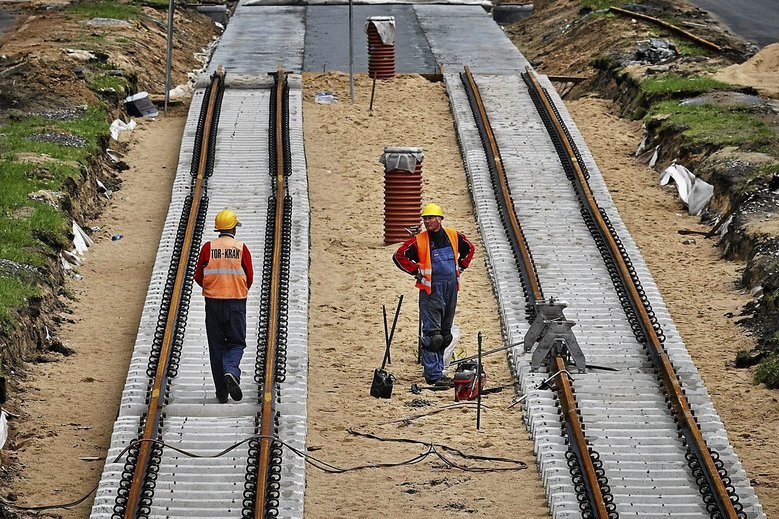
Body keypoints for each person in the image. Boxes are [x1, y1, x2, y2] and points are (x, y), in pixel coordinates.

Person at [393, 203, 475, 384]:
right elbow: (399, 256)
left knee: (445, 334)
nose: (427, 222)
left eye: (430, 218)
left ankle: (439, 370)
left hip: (451, 289)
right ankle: (433, 375)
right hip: (431, 292)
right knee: (433, 336)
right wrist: (415, 271)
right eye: (425, 219)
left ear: (440, 219)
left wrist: (461, 267)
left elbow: (469, 249)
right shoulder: (419, 241)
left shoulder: (453, 236)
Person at [194, 209, 254, 403]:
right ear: (234, 228)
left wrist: (212, 288)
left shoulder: (207, 247)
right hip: (236, 303)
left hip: (212, 303)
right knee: (237, 342)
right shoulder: (241, 248)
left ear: (218, 228)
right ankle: (231, 370)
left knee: (216, 345)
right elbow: (249, 276)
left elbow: (198, 275)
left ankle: (221, 393)